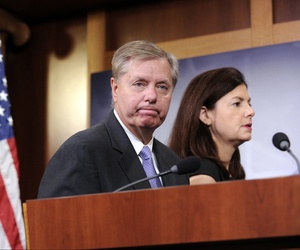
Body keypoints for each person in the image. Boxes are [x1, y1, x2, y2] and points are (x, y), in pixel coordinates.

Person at [38, 40, 189, 198]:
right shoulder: (82, 152)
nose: (151, 96)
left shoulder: (175, 164)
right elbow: (56, 221)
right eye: (139, 84)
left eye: (162, 86)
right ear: (115, 89)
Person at [168, 67, 255, 184]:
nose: (251, 111)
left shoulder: (233, 171)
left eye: (249, 104)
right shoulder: (203, 177)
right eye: (237, 104)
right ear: (205, 116)